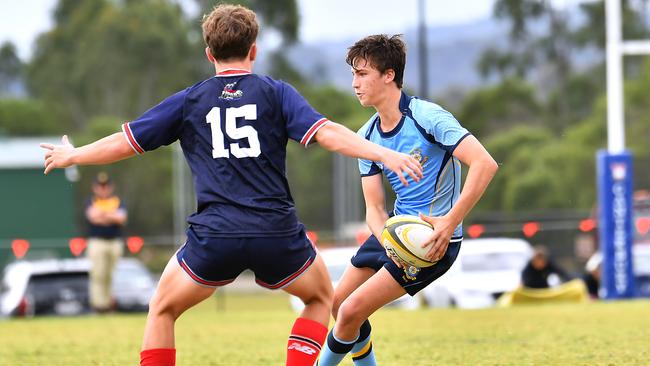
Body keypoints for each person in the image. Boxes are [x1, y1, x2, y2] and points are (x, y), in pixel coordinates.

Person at [40, 5, 423, 366]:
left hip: (215, 235)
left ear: (210, 53)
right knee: (321, 297)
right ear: (253, 49)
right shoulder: (276, 93)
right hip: (276, 233)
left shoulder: (189, 100)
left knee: (163, 308)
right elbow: (328, 133)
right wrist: (384, 154)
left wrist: (74, 155)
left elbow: (127, 141)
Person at [318, 34, 498, 366]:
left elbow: (485, 164)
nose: (355, 84)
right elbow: (374, 208)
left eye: (362, 74)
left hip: (431, 242)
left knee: (351, 312)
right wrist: (386, 239)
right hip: (395, 232)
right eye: (353, 75)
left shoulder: (429, 119)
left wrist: (449, 222)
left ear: (389, 75)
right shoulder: (367, 138)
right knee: (338, 303)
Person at [85, 172, 127, 313]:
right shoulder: (91, 201)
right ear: (95, 187)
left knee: (110, 274)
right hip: (98, 242)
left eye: (106, 186)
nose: (103, 189)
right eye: (100, 186)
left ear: (111, 187)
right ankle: (98, 306)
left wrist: (102, 214)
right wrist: (111, 215)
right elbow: (92, 217)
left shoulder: (117, 201)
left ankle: (108, 305)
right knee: (98, 274)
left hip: (114, 242)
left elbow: (121, 219)